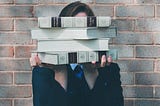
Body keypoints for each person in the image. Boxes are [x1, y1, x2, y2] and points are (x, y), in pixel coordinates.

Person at [30, 1, 124, 106]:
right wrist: (60, 72)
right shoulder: (45, 70)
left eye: (84, 31)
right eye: (73, 31)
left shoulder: (109, 69)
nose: (80, 38)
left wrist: (92, 73)